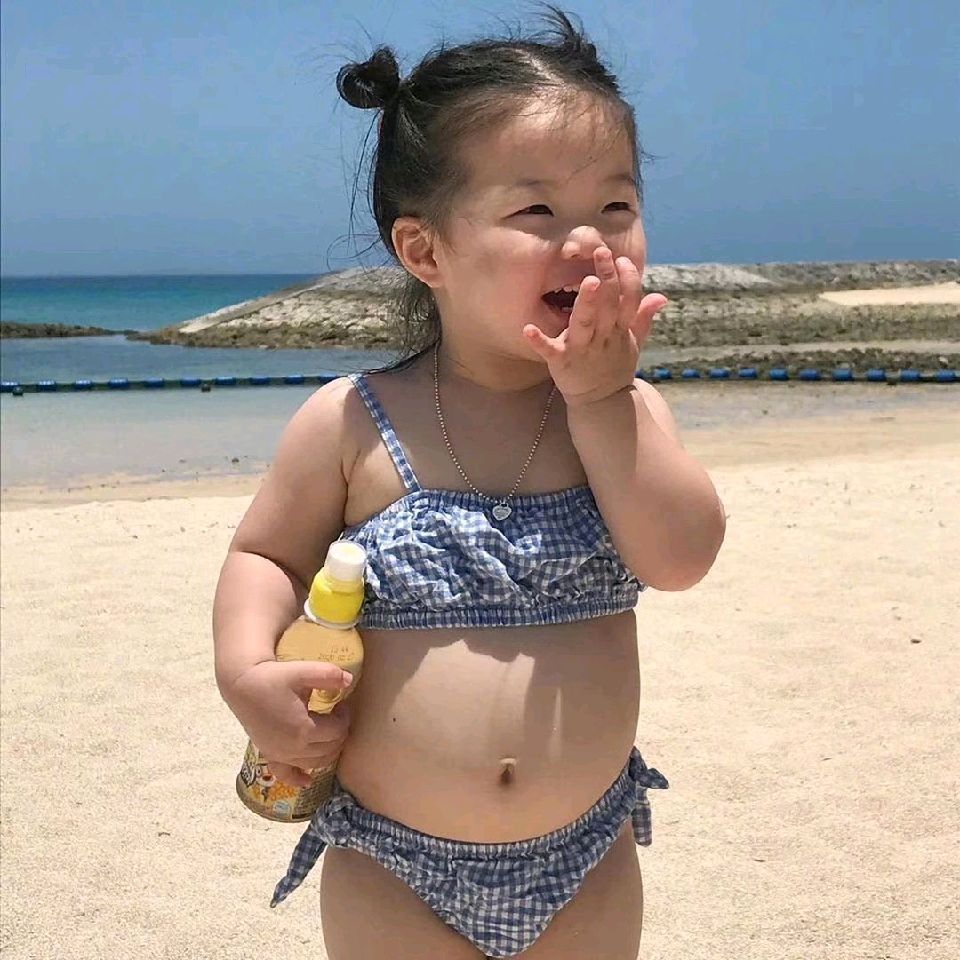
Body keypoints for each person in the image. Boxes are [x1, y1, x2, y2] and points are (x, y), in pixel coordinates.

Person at [213, 7, 726, 958]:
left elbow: (682, 558)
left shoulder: (629, 414)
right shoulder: (353, 420)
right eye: (538, 213)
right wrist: (246, 671)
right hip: (392, 862)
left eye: (617, 207)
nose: (590, 240)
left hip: (586, 857)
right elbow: (268, 555)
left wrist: (602, 403)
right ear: (425, 251)